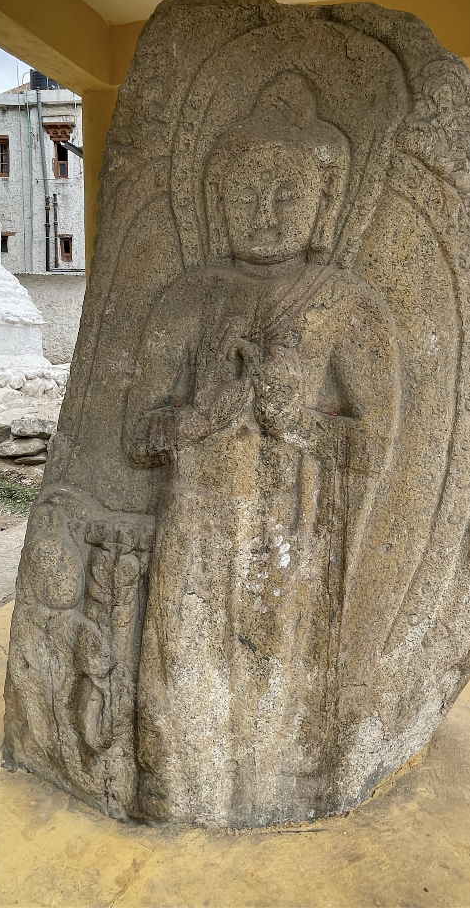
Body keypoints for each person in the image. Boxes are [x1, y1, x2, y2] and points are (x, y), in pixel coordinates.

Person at [124, 73, 399, 824]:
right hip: (195, 532)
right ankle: (186, 802)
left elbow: (376, 448)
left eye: (287, 195)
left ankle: (283, 800)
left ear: (325, 204)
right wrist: (202, 414)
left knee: (280, 693)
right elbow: (137, 437)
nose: (266, 214)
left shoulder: (346, 303)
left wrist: (300, 422)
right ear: (216, 202)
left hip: (296, 534)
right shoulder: (185, 297)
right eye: (246, 196)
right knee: (184, 689)